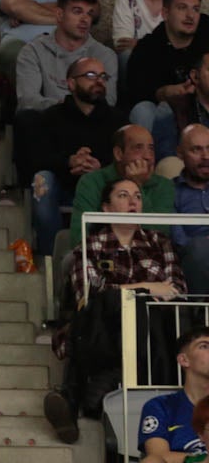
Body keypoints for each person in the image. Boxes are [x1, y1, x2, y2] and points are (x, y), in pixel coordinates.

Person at [49, 177, 187, 442]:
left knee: (137, 309)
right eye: (123, 195)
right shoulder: (90, 247)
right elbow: (88, 295)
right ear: (106, 207)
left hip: (151, 335)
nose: (133, 201)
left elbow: (176, 289)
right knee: (108, 302)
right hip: (102, 331)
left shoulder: (160, 243)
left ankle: (77, 395)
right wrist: (147, 287)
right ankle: (100, 388)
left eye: (137, 196)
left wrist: (134, 293)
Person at [28, 57, 124, 257]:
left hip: (102, 189)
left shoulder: (118, 119)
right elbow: (36, 158)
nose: (98, 81)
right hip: (62, 187)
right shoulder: (50, 117)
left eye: (102, 76)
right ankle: (52, 259)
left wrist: (101, 168)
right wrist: (69, 161)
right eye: (90, 75)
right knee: (41, 179)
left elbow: (126, 159)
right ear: (71, 83)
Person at [125, 0, 205, 159]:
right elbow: (135, 94)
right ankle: (159, 166)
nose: (190, 15)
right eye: (182, 8)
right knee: (148, 109)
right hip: (167, 113)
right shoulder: (148, 48)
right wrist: (165, 92)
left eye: (196, 9)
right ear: (165, 13)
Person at [15, 0, 117, 114]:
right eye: (77, 11)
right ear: (59, 14)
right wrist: (67, 108)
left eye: (89, 13)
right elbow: (28, 101)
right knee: (25, 117)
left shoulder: (105, 55)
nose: (85, 19)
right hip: (47, 122)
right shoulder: (33, 51)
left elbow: (109, 102)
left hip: (88, 124)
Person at [68, 124, 174, 242]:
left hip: (147, 257)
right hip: (101, 254)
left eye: (151, 148)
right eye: (138, 148)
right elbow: (79, 236)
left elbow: (160, 236)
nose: (148, 156)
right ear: (118, 153)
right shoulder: (91, 182)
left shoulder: (164, 186)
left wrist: (137, 185)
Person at [140, 327, 209, 463]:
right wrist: (200, 461)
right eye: (204, 346)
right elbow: (159, 456)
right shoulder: (160, 406)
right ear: (183, 360)